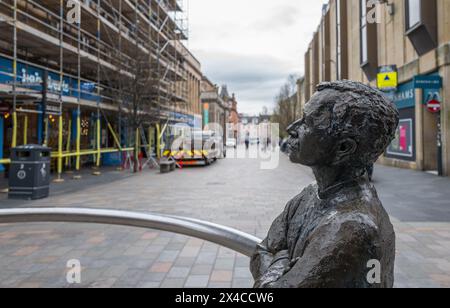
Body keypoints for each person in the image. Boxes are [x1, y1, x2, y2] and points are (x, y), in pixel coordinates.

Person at [250, 81, 399, 288]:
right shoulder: (311, 193)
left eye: (307, 122)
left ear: (343, 148)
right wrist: (281, 263)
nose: (291, 128)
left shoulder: (352, 227)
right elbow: (262, 249)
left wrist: (278, 259)